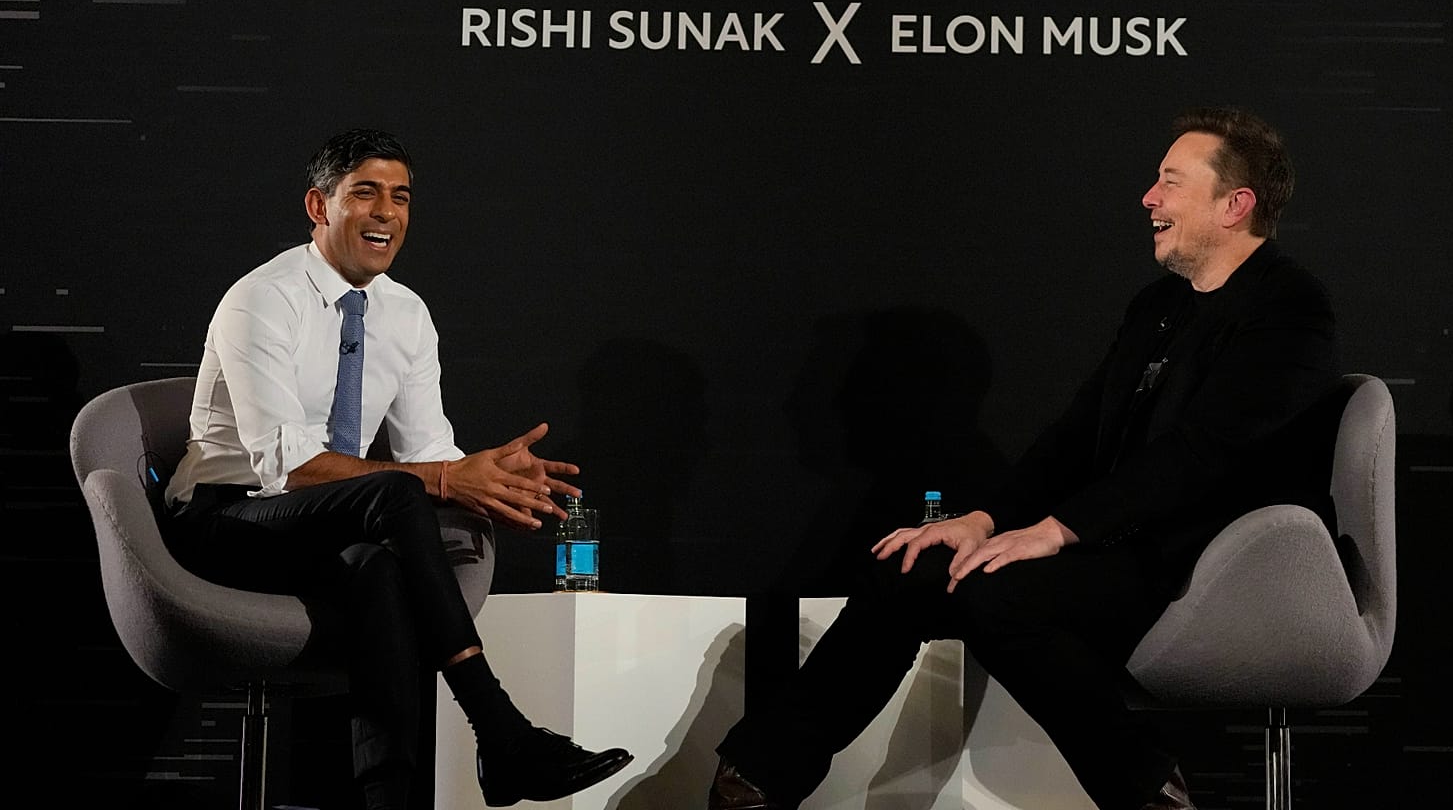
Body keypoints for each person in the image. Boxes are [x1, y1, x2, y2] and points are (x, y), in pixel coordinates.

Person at [708, 107, 1339, 810]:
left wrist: (1056, 530)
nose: (1148, 199)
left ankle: (1147, 791)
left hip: (1206, 562)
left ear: (1235, 205)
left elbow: (1206, 455)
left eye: (1170, 183)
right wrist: (983, 519)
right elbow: (1073, 436)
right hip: (1118, 546)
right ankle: (757, 781)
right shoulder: (1159, 305)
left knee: (994, 593)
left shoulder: (1290, 309)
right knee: (916, 567)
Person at [163, 128, 633, 809]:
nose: (387, 213)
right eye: (366, 194)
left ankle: (393, 796)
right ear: (319, 208)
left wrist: (490, 484)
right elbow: (285, 463)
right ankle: (500, 731)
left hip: (322, 526)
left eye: (401, 198)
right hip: (223, 518)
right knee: (395, 496)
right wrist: (444, 480)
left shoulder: (406, 314)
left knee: (380, 567)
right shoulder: (262, 299)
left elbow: (428, 454)